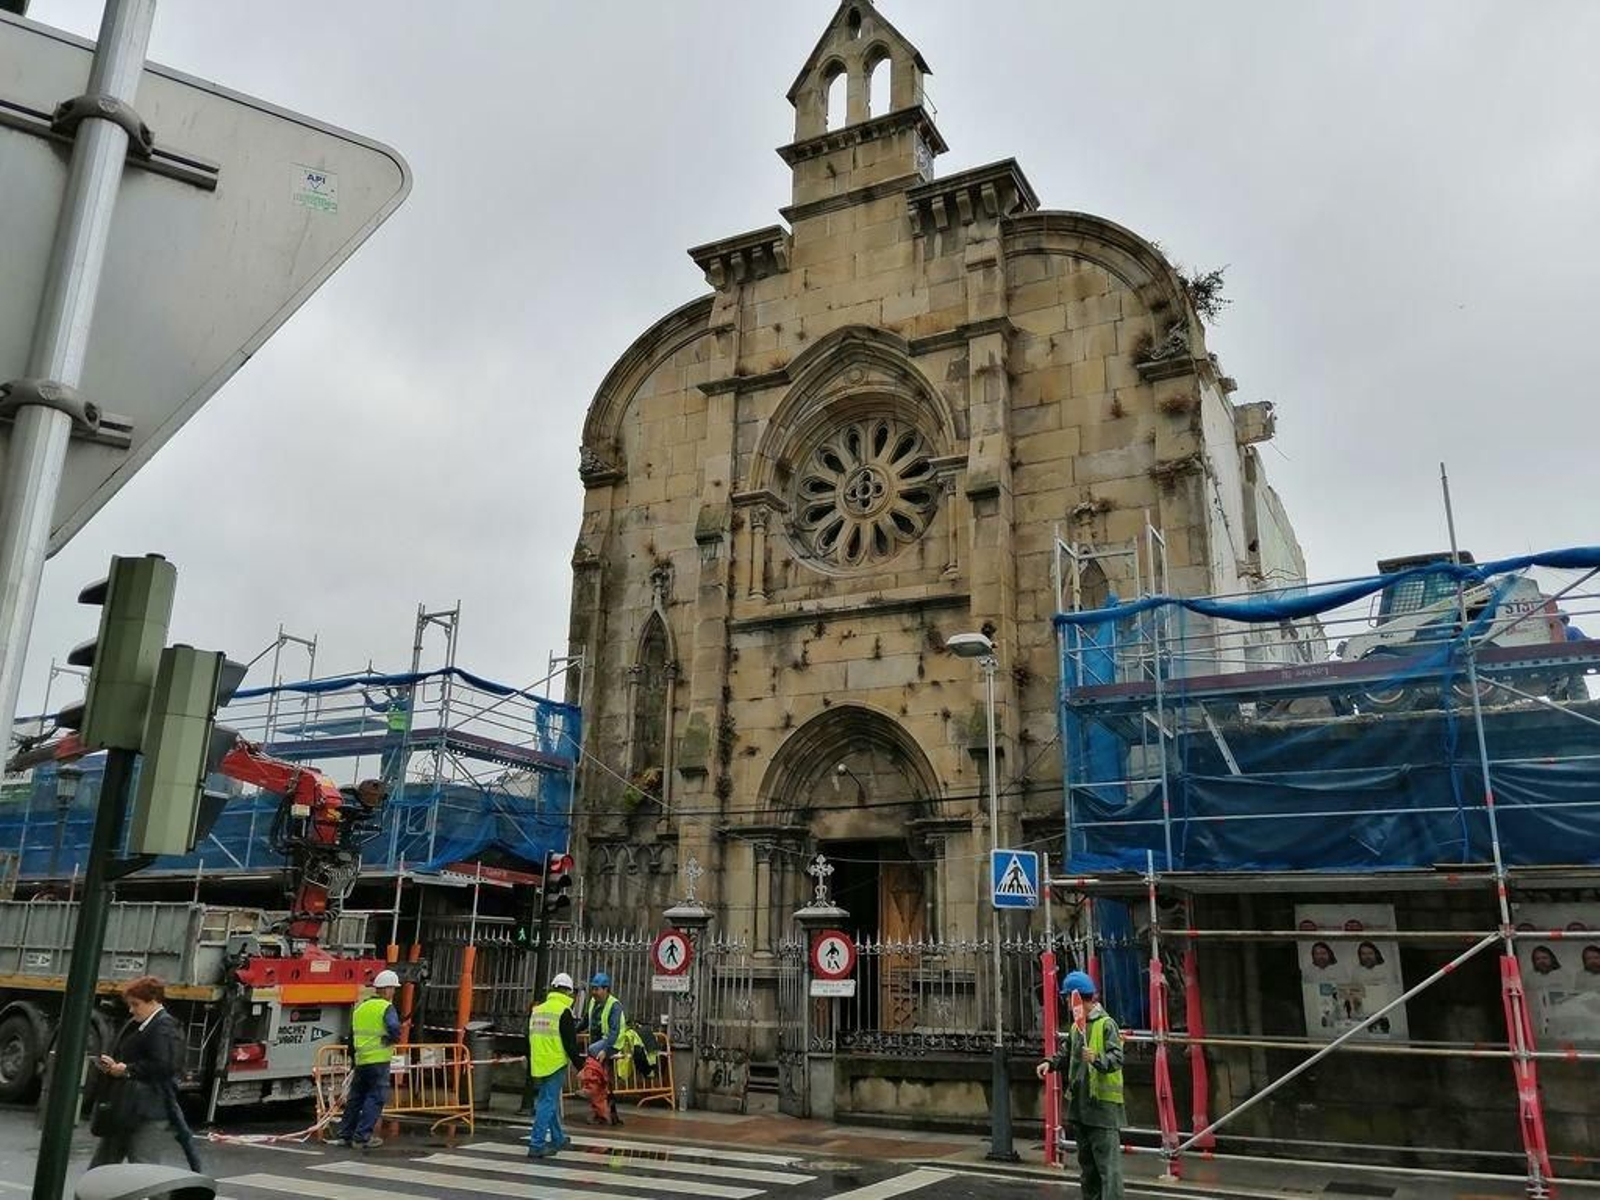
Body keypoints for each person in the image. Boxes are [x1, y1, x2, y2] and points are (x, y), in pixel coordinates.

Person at [1036, 971, 1125, 1200]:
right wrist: (1050, 1063)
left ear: (1076, 997)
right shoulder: (1077, 1028)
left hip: (1103, 1110)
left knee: (1108, 1170)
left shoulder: (1107, 1025)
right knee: (1088, 1170)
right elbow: (1066, 1054)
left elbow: (1117, 1059)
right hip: (1080, 1108)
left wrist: (1096, 1058)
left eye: (1068, 997)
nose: (1067, 1002)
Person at [89, 976, 183, 1167]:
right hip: (130, 1107)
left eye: (136, 1004)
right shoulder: (147, 1024)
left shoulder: (163, 1027)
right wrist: (117, 1066)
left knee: (141, 1165)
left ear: (153, 1000)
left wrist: (127, 1070)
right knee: (106, 1163)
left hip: (146, 1110)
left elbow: (164, 1065)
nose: (131, 1010)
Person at [325, 969, 402, 1149]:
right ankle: (361, 1137)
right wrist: (393, 1038)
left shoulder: (361, 1007)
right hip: (379, 1061)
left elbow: (352, 1036)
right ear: (387, 989)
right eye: (393, 989)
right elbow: (394, 1027)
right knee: (375, 1098)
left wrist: (354, 1059)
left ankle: (345, 1135)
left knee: (355, 1099)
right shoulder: (386, 1007)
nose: (393, 992)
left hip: (361, 1061)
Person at [527, 972, 583, 1160]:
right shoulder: (563, 1011)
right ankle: (536, 1144)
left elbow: (528, 1037)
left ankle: (558, 1139)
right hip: (555, 1062)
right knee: (547, 1103)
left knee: (549, 1101)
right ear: (568, 992)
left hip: (539, 1061)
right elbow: (570, 1044)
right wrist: (581, 1067)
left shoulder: (537, 1009)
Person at [580, 972, 627, 1126]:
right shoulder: (593, 1003)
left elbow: (614, 1031)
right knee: (603, 1081)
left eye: (597, 989)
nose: (593, 992)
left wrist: (605, 1050)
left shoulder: (614, 1005)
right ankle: (608, 1114)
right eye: (592, 989)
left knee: (593, 1051)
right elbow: (585, 1020)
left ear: (606, 989)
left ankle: (588, 1085)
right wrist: (573, 1031)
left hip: (612, 1044)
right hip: (598, 1044)